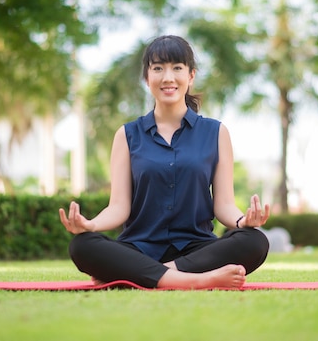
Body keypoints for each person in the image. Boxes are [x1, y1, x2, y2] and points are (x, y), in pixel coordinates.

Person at [59, 34, 270, 289]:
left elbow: (223, 204)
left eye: (177, 68)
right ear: (147, 78)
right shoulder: (127, 135)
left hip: (196, 250)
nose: (168, 77)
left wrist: (242, 222)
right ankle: (200, 281)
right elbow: (118, 207)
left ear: (191, 76)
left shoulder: (216, 133)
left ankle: (144, 275)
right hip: (139, 248)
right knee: (82, 245)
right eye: (158, 68)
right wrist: (90, 225)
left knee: (255, 241)